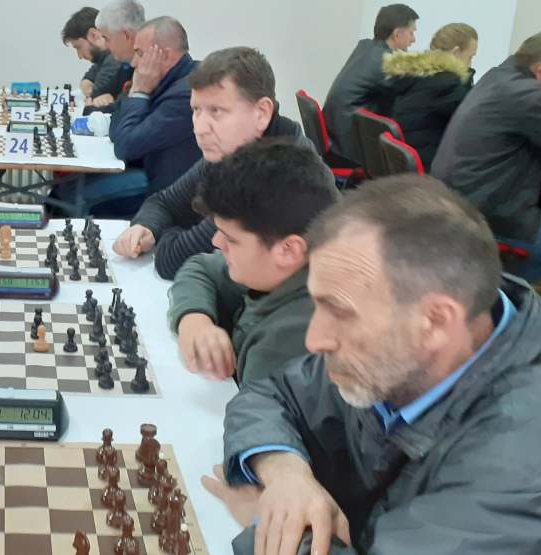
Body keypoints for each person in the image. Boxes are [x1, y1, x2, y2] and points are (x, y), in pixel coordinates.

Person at [201, 175, 541, 555]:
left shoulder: (527, 468)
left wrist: (269, 527)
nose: (314, 339)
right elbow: (271, 393)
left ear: (435, 321)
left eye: (339, 311)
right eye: (317, 303)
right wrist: (285, 474)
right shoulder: (399, 356)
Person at [115, 47, 315, 279]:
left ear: (261, 113)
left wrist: (167, 231)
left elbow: (172, 261)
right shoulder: (235, 151)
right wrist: (147, 227)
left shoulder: (278, 175)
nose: (199, 128)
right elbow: (163, 202)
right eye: (196, 110)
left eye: (216, 111)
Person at [168, 139, 337, 384]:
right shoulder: (280, 268)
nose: (216, 242)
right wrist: (194, 321)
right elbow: (200, 267)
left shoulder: (284, 345)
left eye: (230, 239)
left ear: (288, 250)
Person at [433, 31, 541, 283]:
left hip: (455, 191)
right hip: (483, 207)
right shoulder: (530, 95)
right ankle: (479, 285)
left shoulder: (498, 75)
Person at [60, 15, 199, 218]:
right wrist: (136, 93)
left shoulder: (184, 94)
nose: (134, 62)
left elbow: (125, 146)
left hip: (167, 195)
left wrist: (140, 92)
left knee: (70, 197)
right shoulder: (161, 81)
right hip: (143, 171)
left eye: (140, 54)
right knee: (64, 190)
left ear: (166, 56)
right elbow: (116, 126)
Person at [323, 3, 418, 164]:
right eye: (411, 32)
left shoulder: (366, 47)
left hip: (335, 137)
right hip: (347, 149)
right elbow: (409, 87)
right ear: (397, 34)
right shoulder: (384, 62)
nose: (413, 39)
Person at [382, 22, 477, 170]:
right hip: (425, 167)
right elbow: (472, 123)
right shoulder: (448, 84)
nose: (471, 63)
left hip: (403, 161)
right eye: (470, 57)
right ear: (456, 52)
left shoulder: (415, 74)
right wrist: (466, 78)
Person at [62, 6, 128, 109]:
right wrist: (91, 93)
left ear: (93, 35)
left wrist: (93, 95)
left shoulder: (115, 58)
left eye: (78, 47)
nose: (79, 56)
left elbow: (92, 103)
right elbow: (86, 81)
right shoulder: (102, 59)